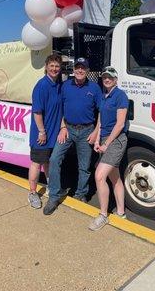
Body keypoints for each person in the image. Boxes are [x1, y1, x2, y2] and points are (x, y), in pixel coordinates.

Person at [43, 57, 102, 215]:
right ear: (73, 69)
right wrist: (62, 126)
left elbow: (102, 111)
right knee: (54, 159)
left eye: (83, 68)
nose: (80, 70)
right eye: (77, 67)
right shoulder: (65, 86)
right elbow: (60, 108)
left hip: (87, 131)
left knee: (84, 167)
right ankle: (54, 196)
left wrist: (96, 132)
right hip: (67, 129)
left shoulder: (95, 88)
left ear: (87, 71)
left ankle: (80, 194)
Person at [88, 66, 128, 231]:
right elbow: (101, 121)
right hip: (104, 139)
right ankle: (121, 213)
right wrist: (98, 140)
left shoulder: (120, 96)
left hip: (116, 140)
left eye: (110, 77)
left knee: (99, 175)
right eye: (104, 77)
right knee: (115, 177)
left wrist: (106, 144)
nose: (107, 79)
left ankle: (103, 215)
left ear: (116, 80)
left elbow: (120, 124)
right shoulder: (104, 97)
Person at [28, 54, 63, 209]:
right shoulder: (41, 85)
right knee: (36, 163)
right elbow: (37, 112)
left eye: (57, 66)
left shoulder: (59, 85)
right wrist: (42, 132)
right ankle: (33, 193)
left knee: (48, 162)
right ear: (46, 67)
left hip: (54, 133)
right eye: (52, 66)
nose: (54, 69)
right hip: (42, 134)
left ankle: (50, 188)